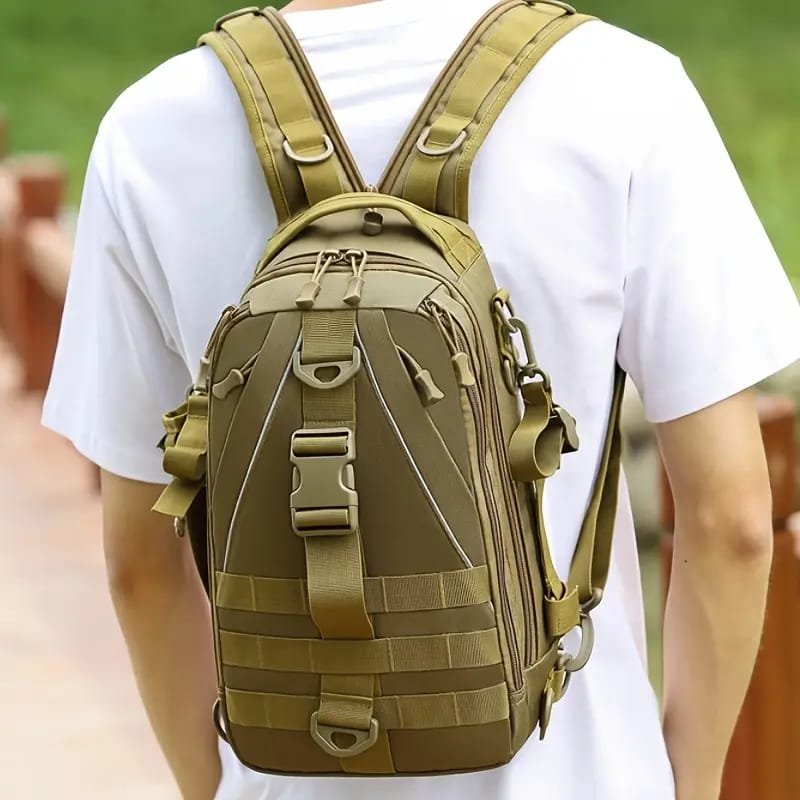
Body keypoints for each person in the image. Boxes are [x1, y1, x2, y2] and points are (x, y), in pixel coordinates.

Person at [42, 0, 800, 798]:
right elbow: (732, 525)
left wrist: (219, 788)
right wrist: (690, 782)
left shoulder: (150, 130)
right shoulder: (623, 90)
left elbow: (140, 565)